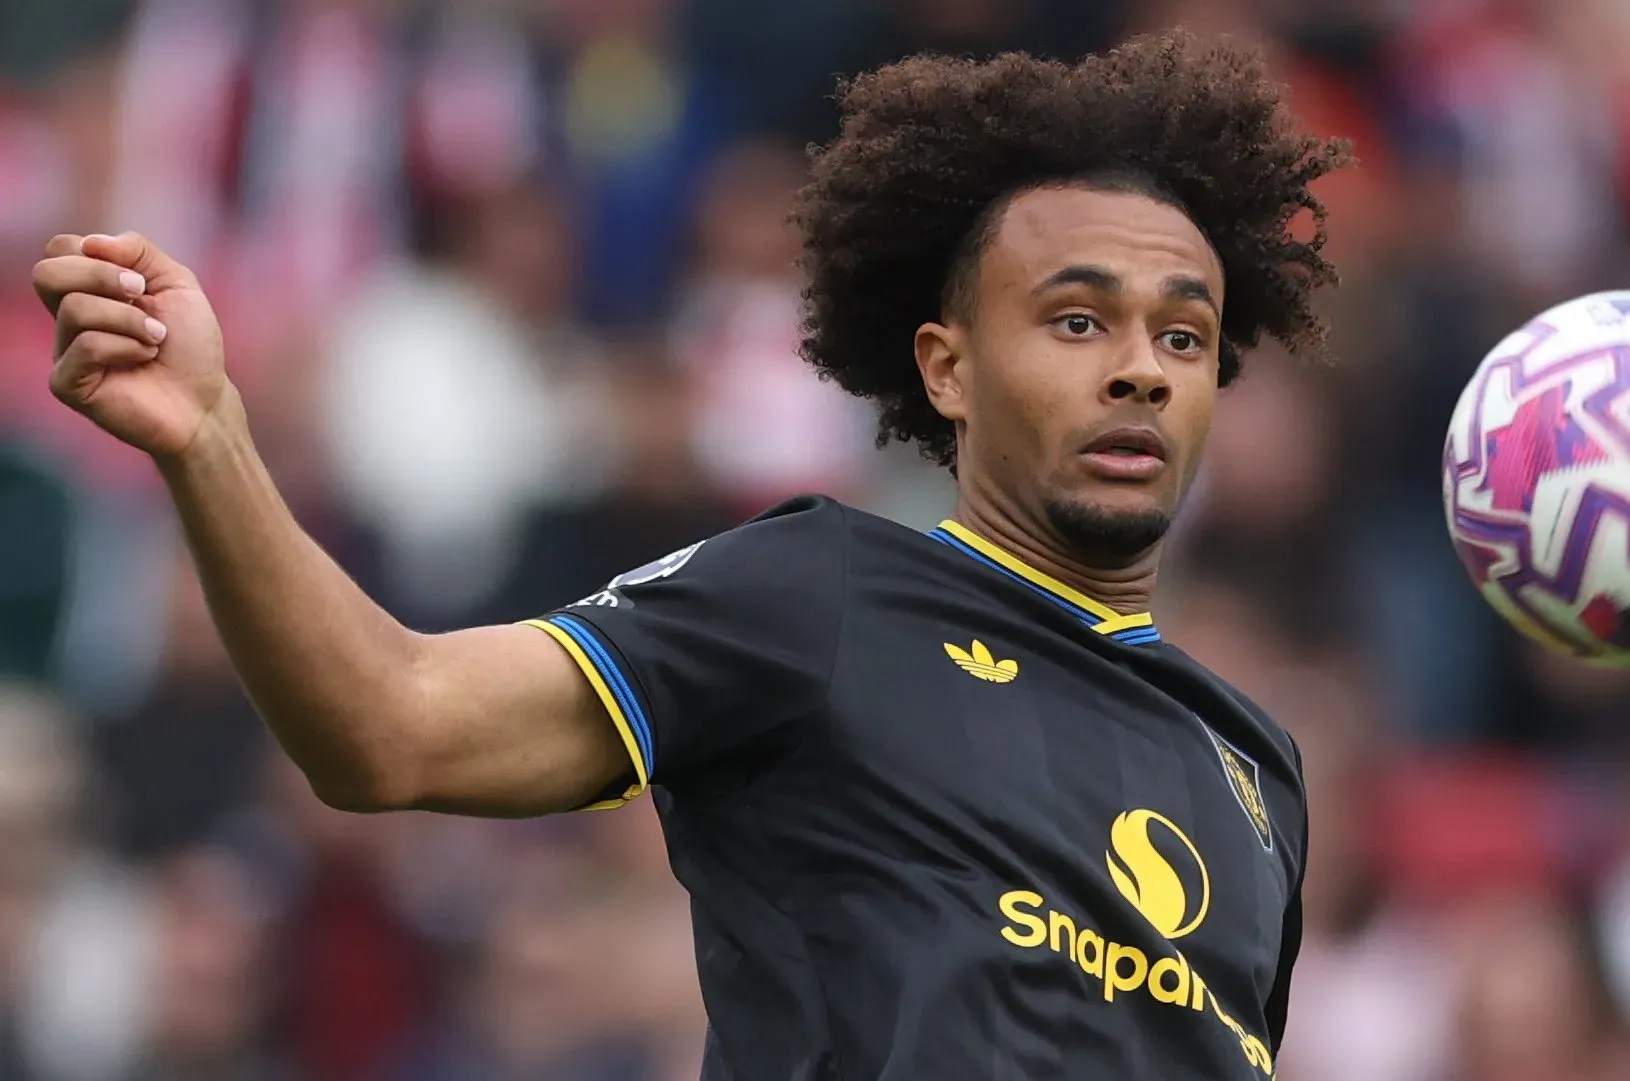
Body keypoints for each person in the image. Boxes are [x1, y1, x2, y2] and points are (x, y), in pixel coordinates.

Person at [31, 29, 1345, 1081]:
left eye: (1183, 338)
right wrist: (212, 440)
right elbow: (392, 725)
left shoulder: (1251, 769)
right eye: (1076, 321)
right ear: (946, 368)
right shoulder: (815, 596)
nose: (1140, 371)